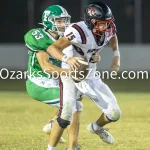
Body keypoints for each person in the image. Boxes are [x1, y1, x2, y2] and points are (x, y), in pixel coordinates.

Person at [46, 2, 121, 149]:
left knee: (115, 113)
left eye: (108, 23)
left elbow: (112, 35)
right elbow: (52, 48)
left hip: (89, 73)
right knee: (67, 112)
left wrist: (116, 54)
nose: (105, 27)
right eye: (101, 24)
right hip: (70, 71)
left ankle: (96, 127)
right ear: (91, 22)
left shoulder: (108, 28)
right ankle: (51, 147)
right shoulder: (78, 31)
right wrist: (68, 59)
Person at [24, 5, 83, 149]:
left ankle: (53, 124)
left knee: (79, 93)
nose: (63, 24)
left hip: (54, 80)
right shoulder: (38, 36)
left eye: (65, 20)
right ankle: (72, 146)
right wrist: (68, 72)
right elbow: (46, 67)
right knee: (74, 105)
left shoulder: (64, 38)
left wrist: (93, 56)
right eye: (59, 21)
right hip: (39, 82)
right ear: (48, 21)